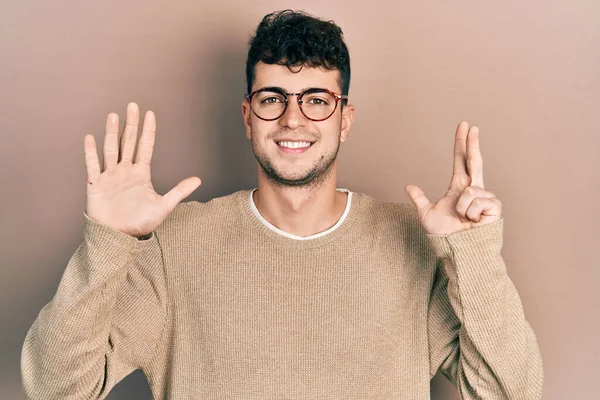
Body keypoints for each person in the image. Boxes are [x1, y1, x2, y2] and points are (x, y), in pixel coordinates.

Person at [21, 9, 543, 399]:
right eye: (273, 99)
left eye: (317, 100)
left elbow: (511, 392)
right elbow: (53, 388)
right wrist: (108, 244)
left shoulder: (412, 241)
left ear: (345, 118)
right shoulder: (175, 245)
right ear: (249, 116)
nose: (293, 120)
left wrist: (472, 256)